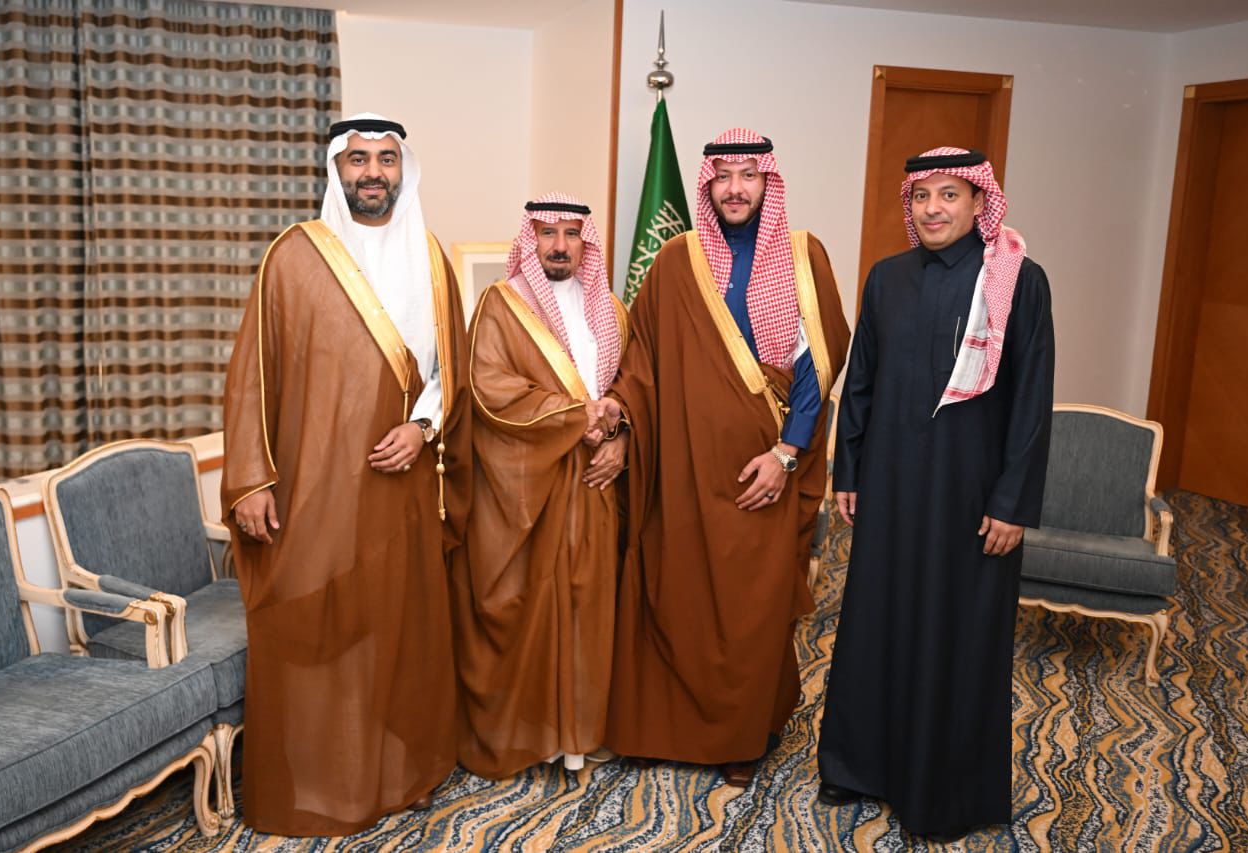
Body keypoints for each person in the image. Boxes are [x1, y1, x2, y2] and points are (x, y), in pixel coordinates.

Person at [221, 113, 471, 836]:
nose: (372, 172)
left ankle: (401, 772)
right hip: (314, 485)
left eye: (386, 159)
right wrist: (251, 479)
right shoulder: (294, 256)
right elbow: (252, 374)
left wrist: (422, 428)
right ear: (337, 168)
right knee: (318, 624)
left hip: (402, 482)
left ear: (403, 169)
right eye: (358, 159)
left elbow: (449, 368)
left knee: (398, 627)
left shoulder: (431, 260)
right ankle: (320, 780)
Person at [597, 128, 850, 787]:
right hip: (681, 460)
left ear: (769, 181)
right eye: (723, 176)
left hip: (761, 465)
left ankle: (741, 733)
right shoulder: (675, 260)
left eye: (749, 175)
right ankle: (662, 727)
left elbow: (817, 366)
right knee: (674, 588)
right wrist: (619, 411)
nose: (735, 189)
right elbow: (643, 357)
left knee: (750, 604)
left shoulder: (803, 256)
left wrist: (787, 453)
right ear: (707, 184)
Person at [816, 147, 1055, 841]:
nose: (933, 208)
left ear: (979, 201)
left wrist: (1012, 502)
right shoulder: (887, 277)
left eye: (949, 194)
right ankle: (858, 766)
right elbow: (861, 381)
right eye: (922, 195)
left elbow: (1032, 398)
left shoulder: (1016, 279)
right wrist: (849, 471)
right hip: (890, 486)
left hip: (971, 496)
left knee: (957, 635)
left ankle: (944, 791)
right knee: (877, 621)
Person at [451, 193, 628, 778]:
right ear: (530, 239)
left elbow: (632, 385)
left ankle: (581, 732)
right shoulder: (502, 304)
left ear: (586, 242)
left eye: (571, 233)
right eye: (547, 233)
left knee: (586, 605)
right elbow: (490, 388)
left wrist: (620, 433)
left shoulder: (612, 308)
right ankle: (530, 736)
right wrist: (577, 418)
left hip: (595, 484)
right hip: (529, 485)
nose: (559, 245)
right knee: (529, 603)